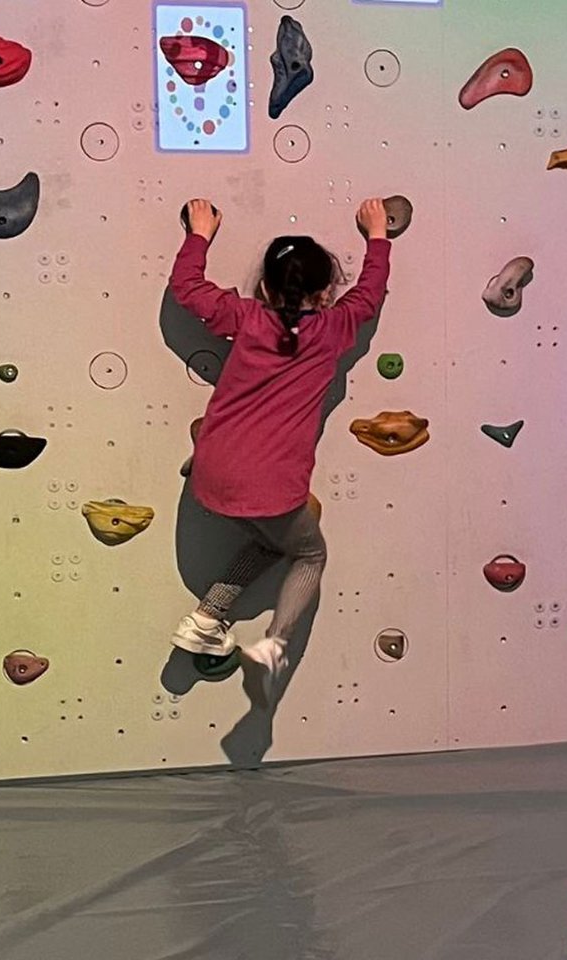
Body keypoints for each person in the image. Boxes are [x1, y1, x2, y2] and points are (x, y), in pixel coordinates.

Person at [167, 197, 392, 708]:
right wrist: (378, 235)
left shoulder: (246, 319)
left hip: (211, 475)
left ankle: (207, 618)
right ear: (327, 291)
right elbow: (370, 294)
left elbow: (187, 288)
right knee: (310, 553)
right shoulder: (335, 329)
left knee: (271, 540)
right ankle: (275, 645)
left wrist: (199, 232)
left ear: (266, 288)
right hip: (270, 489)